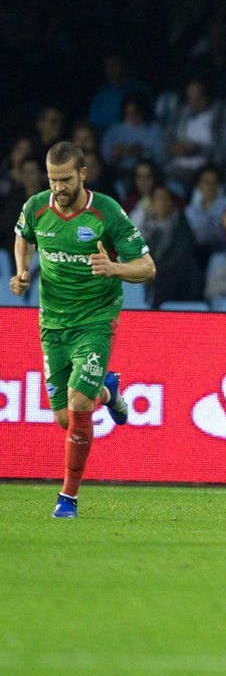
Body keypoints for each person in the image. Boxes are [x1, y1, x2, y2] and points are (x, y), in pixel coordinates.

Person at [10, 141, 155, 518]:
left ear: (83, 175)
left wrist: (115, 268)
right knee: (64, 418)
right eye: (53, 179)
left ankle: (67, 498)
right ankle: (108, 392)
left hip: (95, 320)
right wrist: (22, 269)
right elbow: (22, 238)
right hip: (52, 321)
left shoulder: (105, 212)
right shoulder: (36, 206)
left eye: (65, 180)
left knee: (76, 404)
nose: (58, 187)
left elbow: (147, 267)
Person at [141, 184, 202, 307]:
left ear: (172, 203)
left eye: (166, 199)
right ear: (152, 202)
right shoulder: (146, 225)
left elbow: (181, 257)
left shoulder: (181, 225)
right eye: (158, 198)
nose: (162, 203)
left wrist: (155, 272)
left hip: (175, 279)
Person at [100, 90, 164, 172]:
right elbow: (105, 159)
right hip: (119, 173)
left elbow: (161, 159)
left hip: (148, 173)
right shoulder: (113, 130)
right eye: (128, 113)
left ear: (143, 111)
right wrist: (115, 154)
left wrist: (142, 153)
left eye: (135, 114)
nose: (131, 117)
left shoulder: (154, 129)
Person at [184, 164, 226, 271]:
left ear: (219, 184)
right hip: (197, 254)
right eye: (206, 182)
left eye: (214, 182)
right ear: (199, 185)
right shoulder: (190, 211)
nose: (210, 185)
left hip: (223, 251)